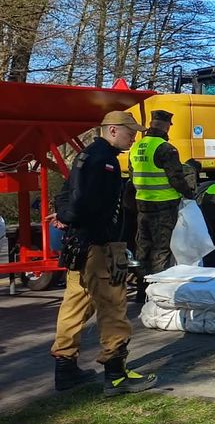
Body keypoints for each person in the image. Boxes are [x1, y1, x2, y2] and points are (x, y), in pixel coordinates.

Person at [51, 111, 158, 396]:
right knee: (113, 305)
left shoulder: (87, 157)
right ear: (112, 130)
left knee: (74, 304)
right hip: (98, 245)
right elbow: (84, 202)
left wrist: (67, 217)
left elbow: (66, 195)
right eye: (129, 133)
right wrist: (76, 218)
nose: (133, 138)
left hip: (79, 244)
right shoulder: (104, 160)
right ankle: (116, 373)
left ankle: (66, 368)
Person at [128, 109, 196, 285]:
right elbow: (176, 178)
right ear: (166, 126)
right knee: (161, 249)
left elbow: (132, 175)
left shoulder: (136, 147)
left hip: (143, 204)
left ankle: (142, 289)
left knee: (143, 247)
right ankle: (156, 291)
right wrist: (189, 194)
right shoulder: (165, 148)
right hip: (164, 206)